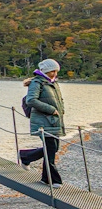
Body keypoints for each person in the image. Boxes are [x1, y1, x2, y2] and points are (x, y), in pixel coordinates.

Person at [19, 59, 65, 188]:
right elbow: (31, 100)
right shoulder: (37, 82)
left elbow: (58, 100)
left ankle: (26, 157)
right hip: (43, 121)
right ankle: (54, 180)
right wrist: (51, 110)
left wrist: (61, 110)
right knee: (50, 149)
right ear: (45, 71)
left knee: (53, 148)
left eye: (56, 71)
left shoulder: (53, 83)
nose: (54, 73)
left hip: (54, 121)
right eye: (52, 71)